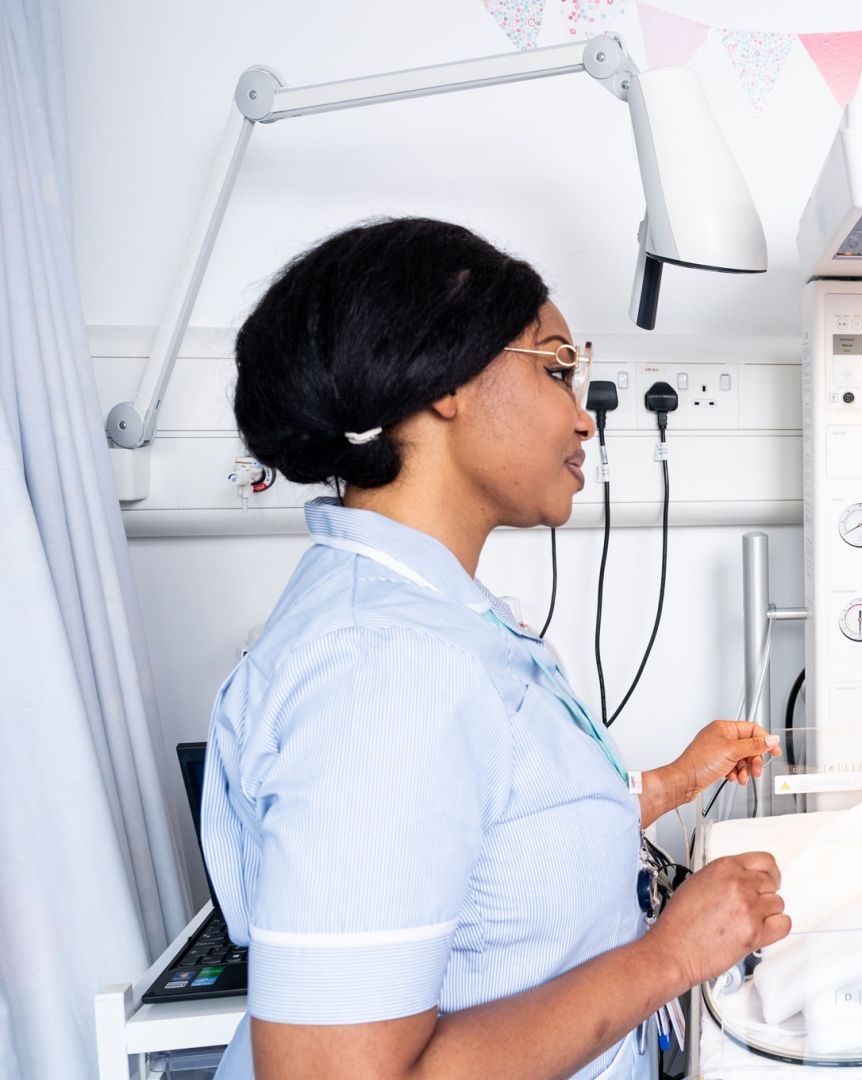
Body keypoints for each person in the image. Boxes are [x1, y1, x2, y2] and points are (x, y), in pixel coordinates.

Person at [199, 217, 790, 1080]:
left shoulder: (429, 617)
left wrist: (667, 786)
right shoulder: (387, 666)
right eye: (555, 368)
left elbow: (487, 846)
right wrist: (672, 955)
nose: (581, 418)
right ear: (447, 378)